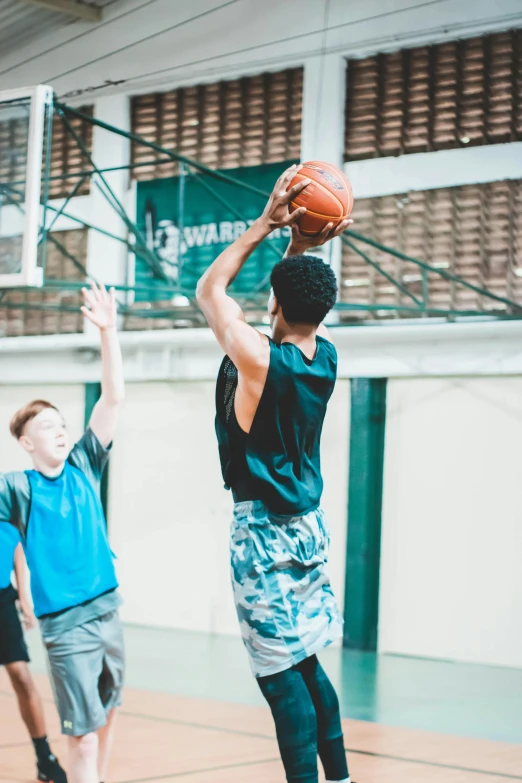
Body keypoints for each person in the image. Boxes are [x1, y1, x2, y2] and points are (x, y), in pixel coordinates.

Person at [196, 164, 354, 783]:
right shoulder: (324, 355)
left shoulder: (259, 360)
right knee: (310, 666)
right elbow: (289, 307)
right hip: (307, 530)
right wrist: (300, 246)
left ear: (278, 302)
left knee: (280, 684)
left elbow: (212, 291)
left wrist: (266, 223)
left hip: (262, 536)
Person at [0, 282, 125, 783]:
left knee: (108, 715)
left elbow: (113, 398)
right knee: (84, 735)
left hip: (108, 608)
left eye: (61, 422)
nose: (59, 429)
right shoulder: (16, 488)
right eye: (46, 426)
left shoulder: (84, 466)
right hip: (66, 625)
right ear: (27, 443)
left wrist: (108, 332)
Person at [0, 525, 67, 783]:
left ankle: (45, 757)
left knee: (21, 674)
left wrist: (24, 598)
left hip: (3, 597)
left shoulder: (7, 494)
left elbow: (15, 545)